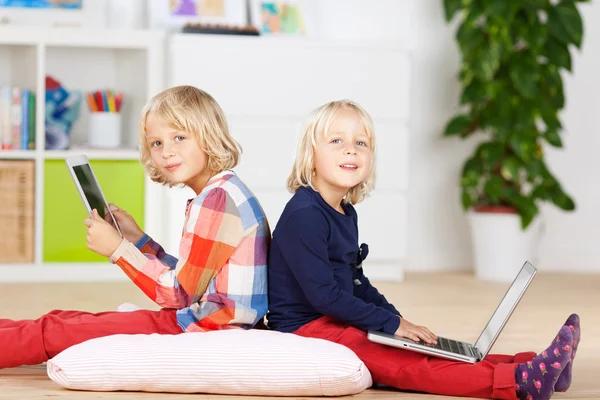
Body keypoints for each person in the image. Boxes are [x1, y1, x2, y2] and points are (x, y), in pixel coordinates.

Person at [265, 99, 580, 400]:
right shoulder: (305, 215)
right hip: (306, 327)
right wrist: (391, 325)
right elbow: (325, 296)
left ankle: (533, 365)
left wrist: (395, 320)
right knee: (410, 366)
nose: (351, 149)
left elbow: (356, 283)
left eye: (361, 143)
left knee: (422, 350)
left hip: (331, 318)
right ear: (311, 154)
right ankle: (518, 383)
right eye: (336, 141)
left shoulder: (345, 212)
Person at [0, 85, 269, 369]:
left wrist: (118, 249)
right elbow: (193, 280)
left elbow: (178, 294)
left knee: (54, 331)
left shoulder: (217, 200)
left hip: (202, 331)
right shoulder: (223, 191)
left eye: (179, 137)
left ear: (208, 136)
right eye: (157, 143)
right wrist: (138, 239)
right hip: (199, 322)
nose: (167, 152)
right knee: (62, 319)